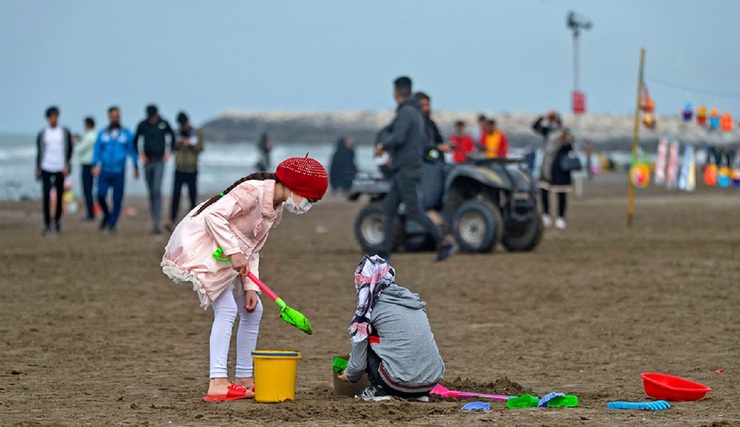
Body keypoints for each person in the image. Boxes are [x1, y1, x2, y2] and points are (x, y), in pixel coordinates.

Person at [160, 156, 328, 402]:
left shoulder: (275, 210)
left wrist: (250, 287)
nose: (307, 206)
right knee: (227, 309)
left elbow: (253, 248)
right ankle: (217, 382)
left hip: (231, 253)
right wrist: (233, 251)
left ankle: (244, 378)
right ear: (295, 188)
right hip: (205, 244)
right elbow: (213, 216)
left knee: (253, 310)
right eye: (309, 200)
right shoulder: (252, 191)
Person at [336, 255, 445, 402]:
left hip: (397, 383)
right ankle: (415, 394)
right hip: (430, 382)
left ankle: (379, 390)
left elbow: (357, 368)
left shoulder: (368, 312)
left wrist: (348, 375)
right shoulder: (413, 301)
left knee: (365, 337)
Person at [375, 76, 456, 262]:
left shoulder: (406, 113)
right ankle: (384, 252)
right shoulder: (416, 113)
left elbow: (399, 137)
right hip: (406, 168)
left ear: (395, 92)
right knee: (388, 209)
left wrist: (382, 144)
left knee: (414, 211)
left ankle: (444, 243)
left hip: (406, 169)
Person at [92, 106, 140, 233]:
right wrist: (94, 164)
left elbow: (132, 151)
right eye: (113, 116)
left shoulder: (126, 134)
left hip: (119, 171)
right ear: (109, 117)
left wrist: (136, 166)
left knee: (117, 199)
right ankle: (107, 215)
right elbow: (97, 149)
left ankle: (112, 224)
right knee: (100, 195)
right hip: (105, 170)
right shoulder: (103, 133)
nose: (115, 118)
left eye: (117, 116)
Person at [133, 104, 176, 234]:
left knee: (157, 190)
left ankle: (157, 221)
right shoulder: (143, 125)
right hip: (147, 161)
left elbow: (173, 138)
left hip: (159, 161)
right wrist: (139, 154)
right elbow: (135, 140)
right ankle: (154, 222)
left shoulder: (163, 123)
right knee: (151, 191)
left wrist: (169, 153)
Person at [532, 111, 574, 230]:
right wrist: (544, 116)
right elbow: (535, 126)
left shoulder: (565, 131)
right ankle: (546, 214)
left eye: (554, 119)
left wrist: (565, 140)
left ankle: (561, 217)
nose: (553, 122)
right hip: (547, 166)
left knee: (561, 193)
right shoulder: (548, 131)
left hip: (560, 168)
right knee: (544, 191)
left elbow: (570, 147)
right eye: (552, 120)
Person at [35, 106, 73, 235]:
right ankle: (47, 223)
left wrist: (67, 164)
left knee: (59, 195)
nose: (53, 119)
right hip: (46, 166)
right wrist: (37, 168)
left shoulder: (64, 132)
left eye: (55, 116)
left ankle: (57, 221)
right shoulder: (43, 133)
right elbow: (39, 152)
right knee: (46, 196)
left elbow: (69, 150)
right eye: (51, 116)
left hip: (60, 167)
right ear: (47, 118)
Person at [167, 112, 204, 231]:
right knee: (176, 196)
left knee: (192, 195)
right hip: (179, 168)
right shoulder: (176, 133)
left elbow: (200, 147)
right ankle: (172, 220)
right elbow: (171, 146)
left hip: (192, 169)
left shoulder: (196, 133)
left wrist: (189, 143)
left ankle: (193, 220)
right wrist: (177, 144)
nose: (182, 126)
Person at [414, 91, 448, 164]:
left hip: (433, 163)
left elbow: (439, 141)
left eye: (428, 105)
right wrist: (436, 147)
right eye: (424, 105)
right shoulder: (413, 125)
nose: (427, 108)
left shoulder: (431, 124)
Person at [74, 116, 97, 221]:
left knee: (87, 190)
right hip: (92, 164)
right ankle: (91, 212)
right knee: (89, 190)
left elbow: (79, 149)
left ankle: (90, 213)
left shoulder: (89, 136)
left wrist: (74, 142)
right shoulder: (94, 135)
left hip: (87, 165)